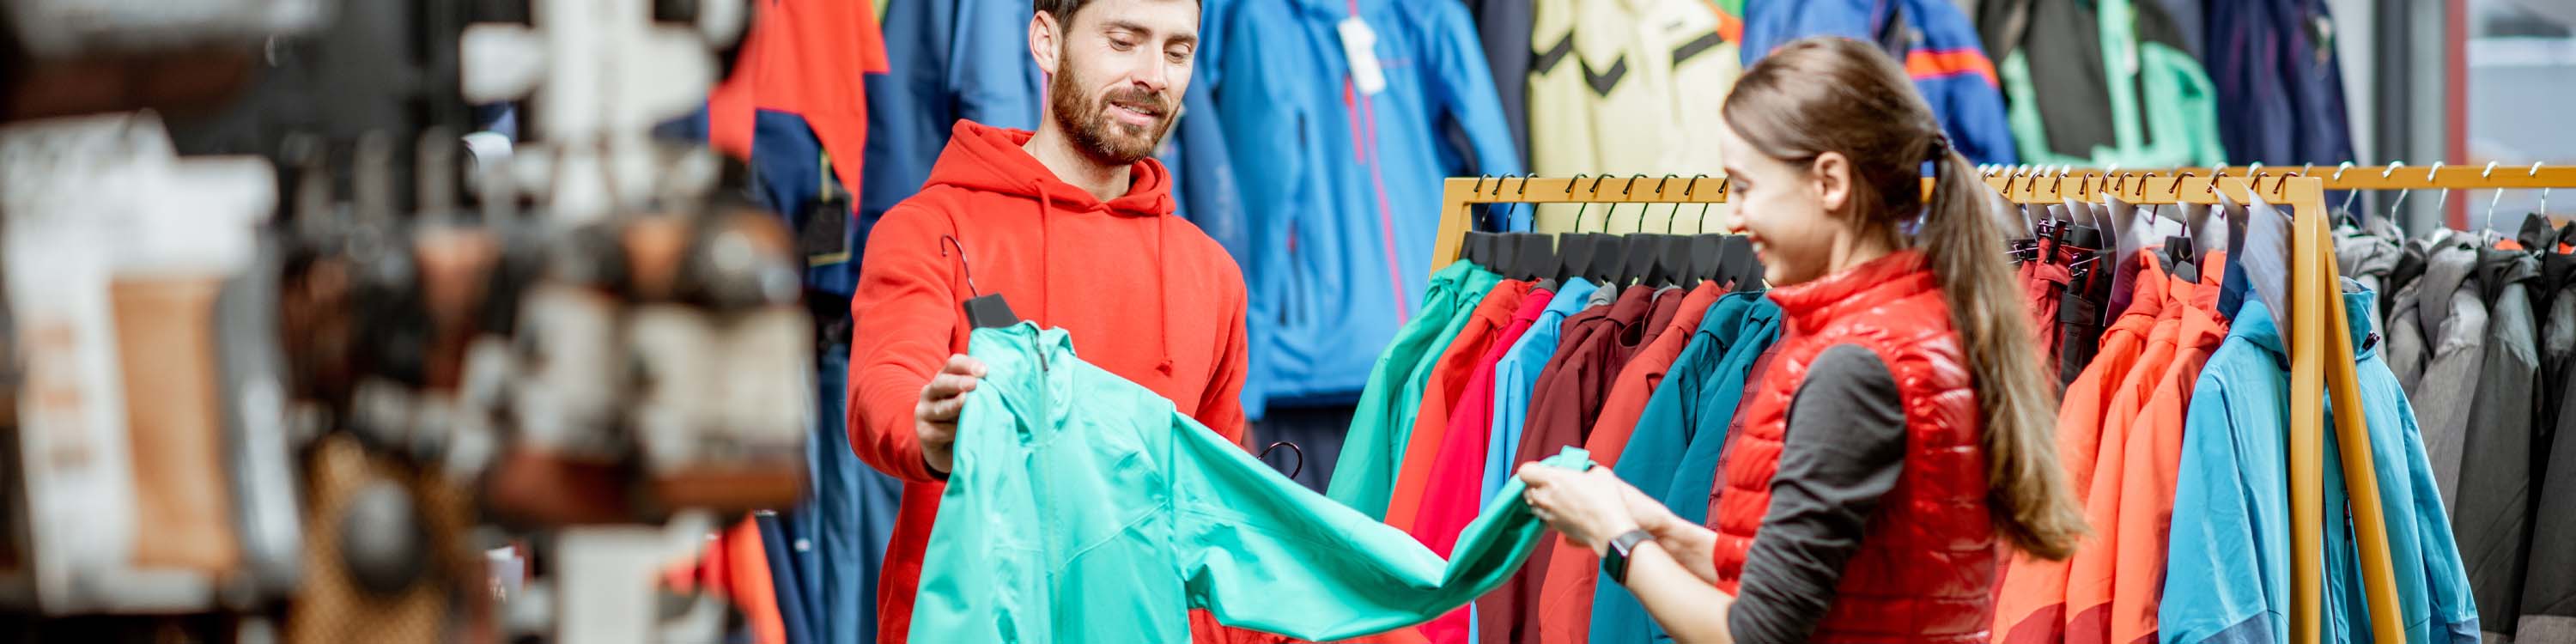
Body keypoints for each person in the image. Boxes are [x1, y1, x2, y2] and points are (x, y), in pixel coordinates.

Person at [1515, 37, 2087, 644]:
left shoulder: (1858, 365)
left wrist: (1614, 538)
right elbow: (1833, 585)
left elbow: (1756, 634)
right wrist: (1663, 530)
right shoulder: (1916, 326)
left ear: (1830, 181)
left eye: (1743, 186)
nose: (1731, 217)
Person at [841, 0, 1265, 642]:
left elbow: (1220, 513)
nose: (1154, 74)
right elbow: (887, 382)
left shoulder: (1212, 272)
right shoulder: (931, 229)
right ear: (1046, 41)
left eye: (1177, 52)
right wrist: (927, 430)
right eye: (1124, 41)